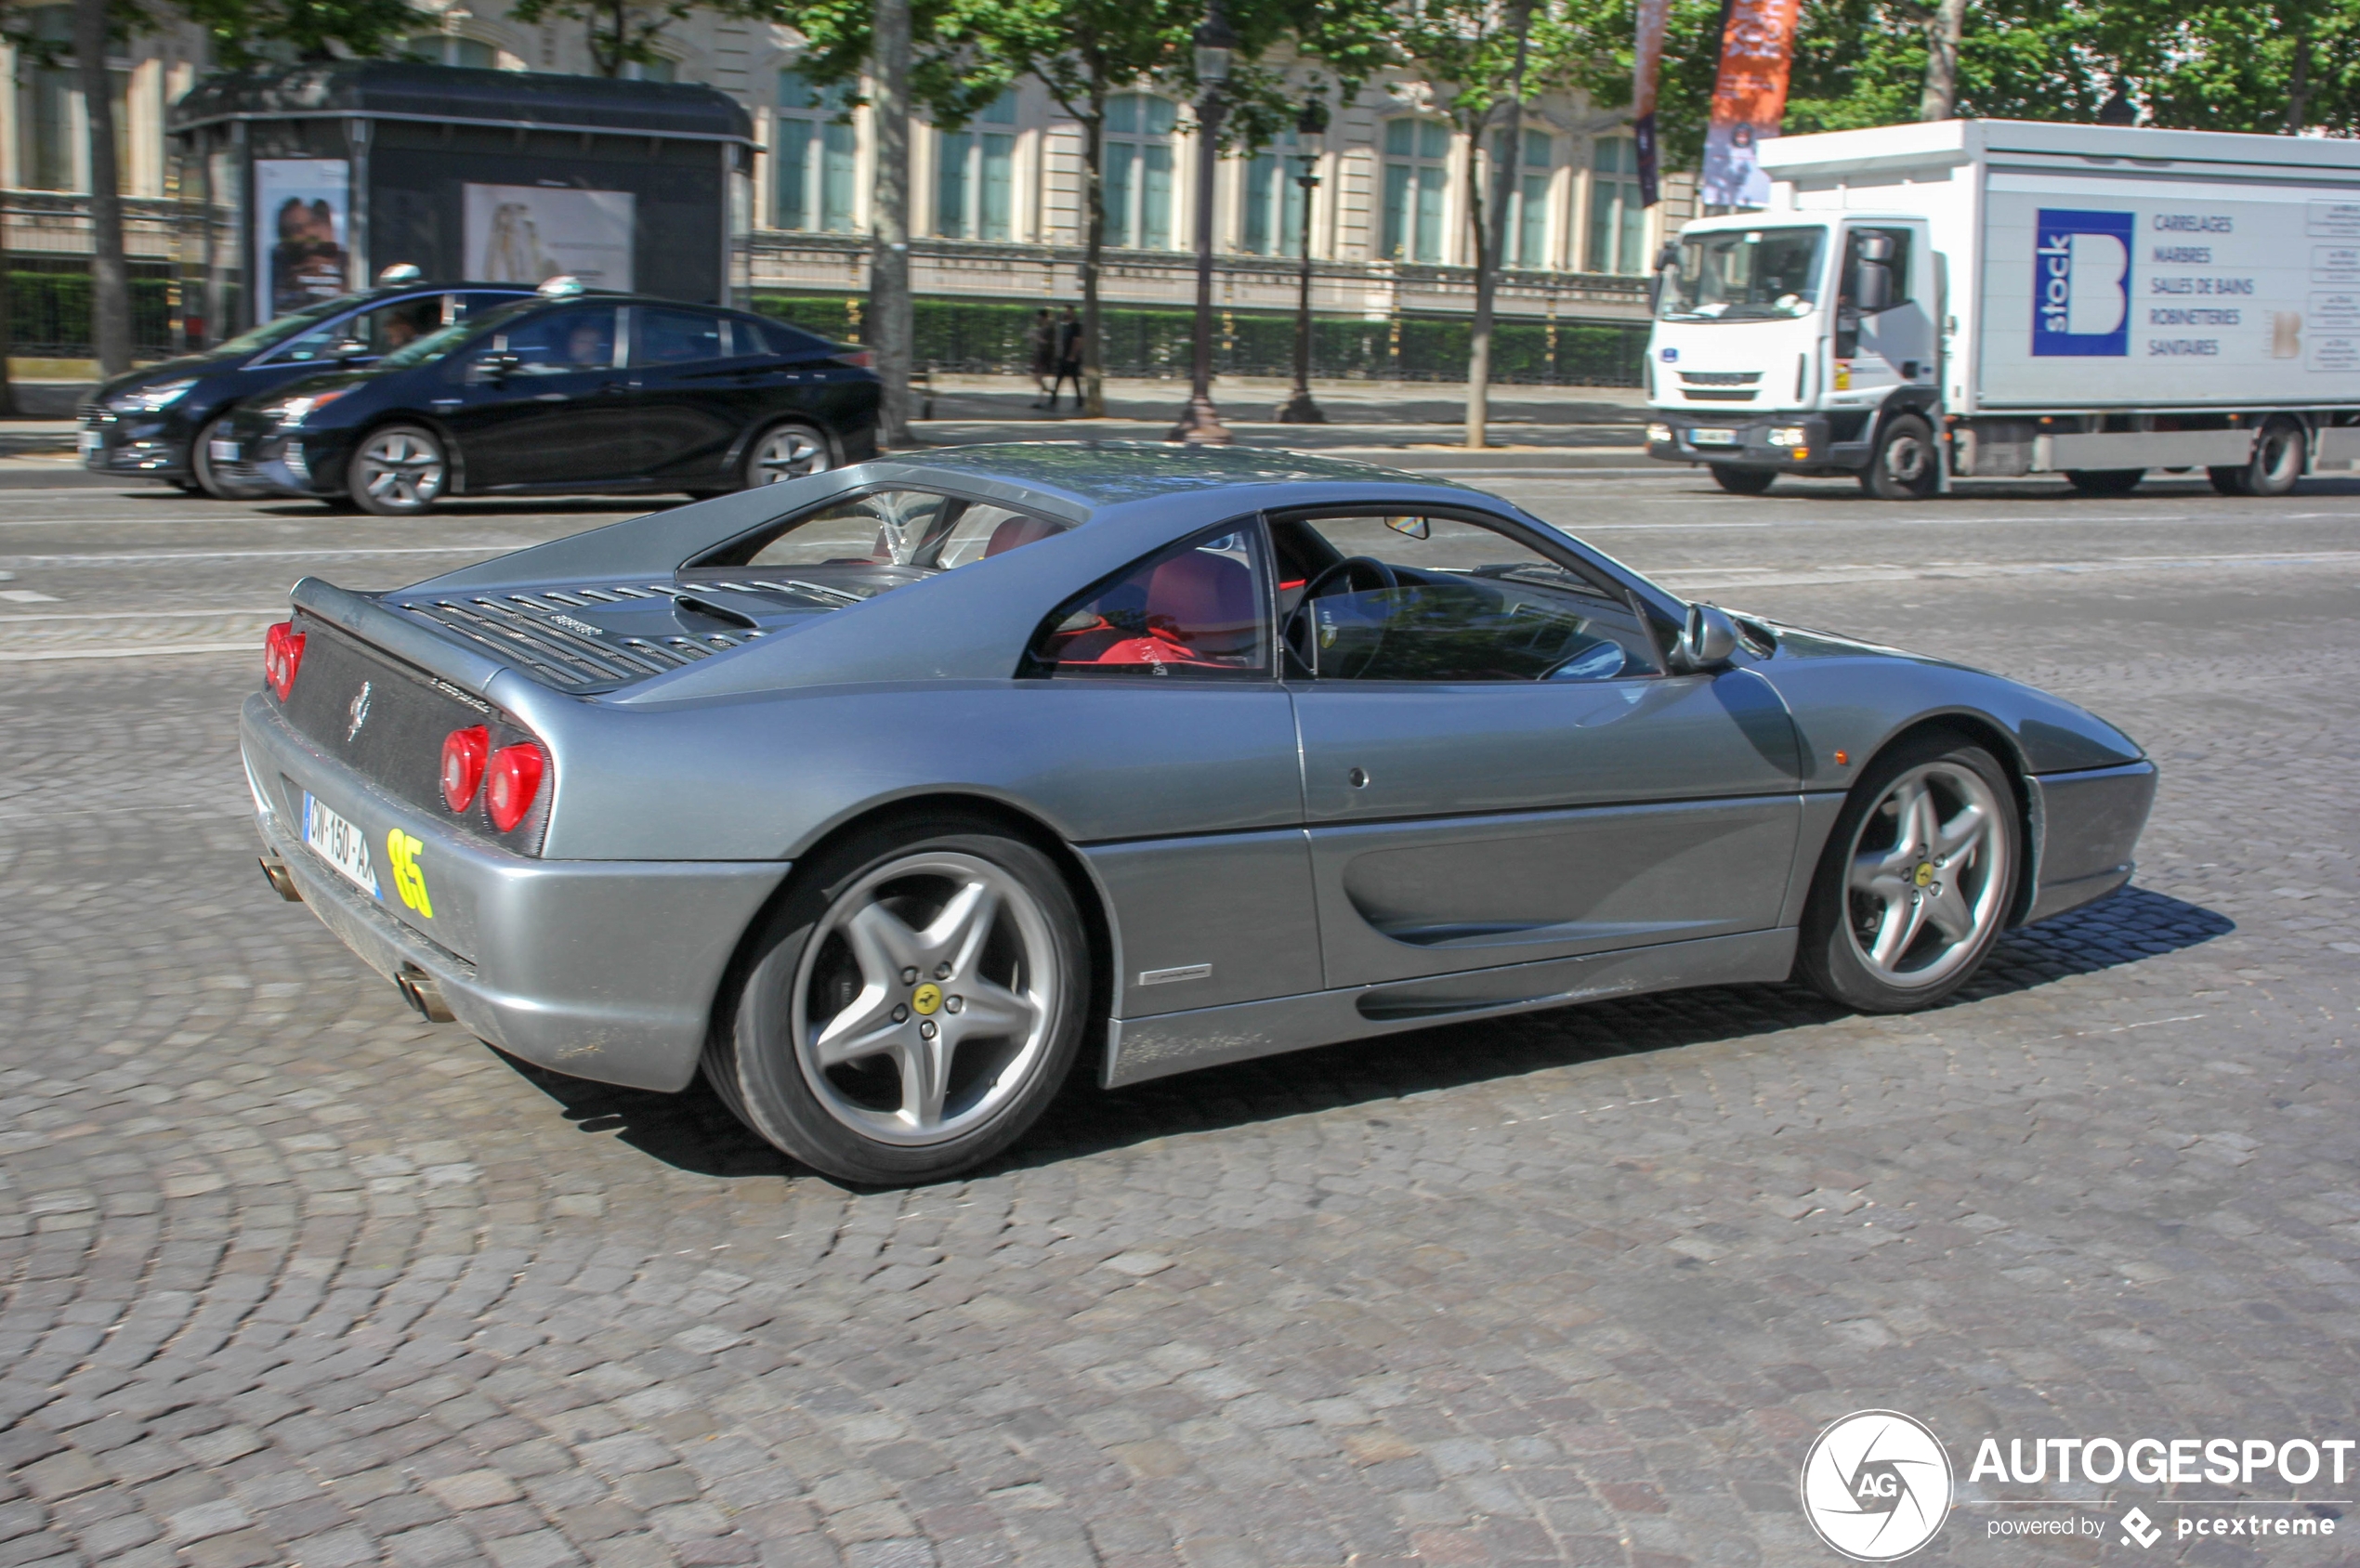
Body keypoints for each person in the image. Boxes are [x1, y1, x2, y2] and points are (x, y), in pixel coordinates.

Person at [1050, 305, 1083, 412]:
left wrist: (1073, 355)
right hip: (1065, 356)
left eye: (1067, 311)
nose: (1065, 313)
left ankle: (1079, 400)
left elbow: (1077, 341)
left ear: (1072, 313)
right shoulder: (1066, 326)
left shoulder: (1076, 326)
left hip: (1071, 357)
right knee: (1060, 378)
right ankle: (1054, 398)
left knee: (1073, 379)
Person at [1029, 307, 1057, 410]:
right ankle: (1050, 392)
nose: (1037, 318)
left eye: (1039, 316)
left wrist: (1035, 337)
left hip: (1045, 355)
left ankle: (1040, 400)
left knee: (1039, 377)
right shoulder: (1041, 328)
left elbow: (1047, 343)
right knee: (1037, 377)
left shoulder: (1049, 329)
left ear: (1043, 317)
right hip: (1040, 355)